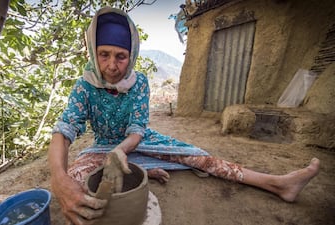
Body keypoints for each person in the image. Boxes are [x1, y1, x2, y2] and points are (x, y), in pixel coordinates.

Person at [48, 6, 320, 225]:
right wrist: (58, 180)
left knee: (201, 158)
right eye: (104, 54)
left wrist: (122, 153)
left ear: (131, 57)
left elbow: (137, 129)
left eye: (121, 56)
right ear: (93, 54)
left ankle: (277, 184)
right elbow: (65, 129)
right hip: (104, 149)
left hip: (137, 143)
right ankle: (140, 170)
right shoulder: (84, 86)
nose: (111, 65)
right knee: (74, 180)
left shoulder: (139, 82)